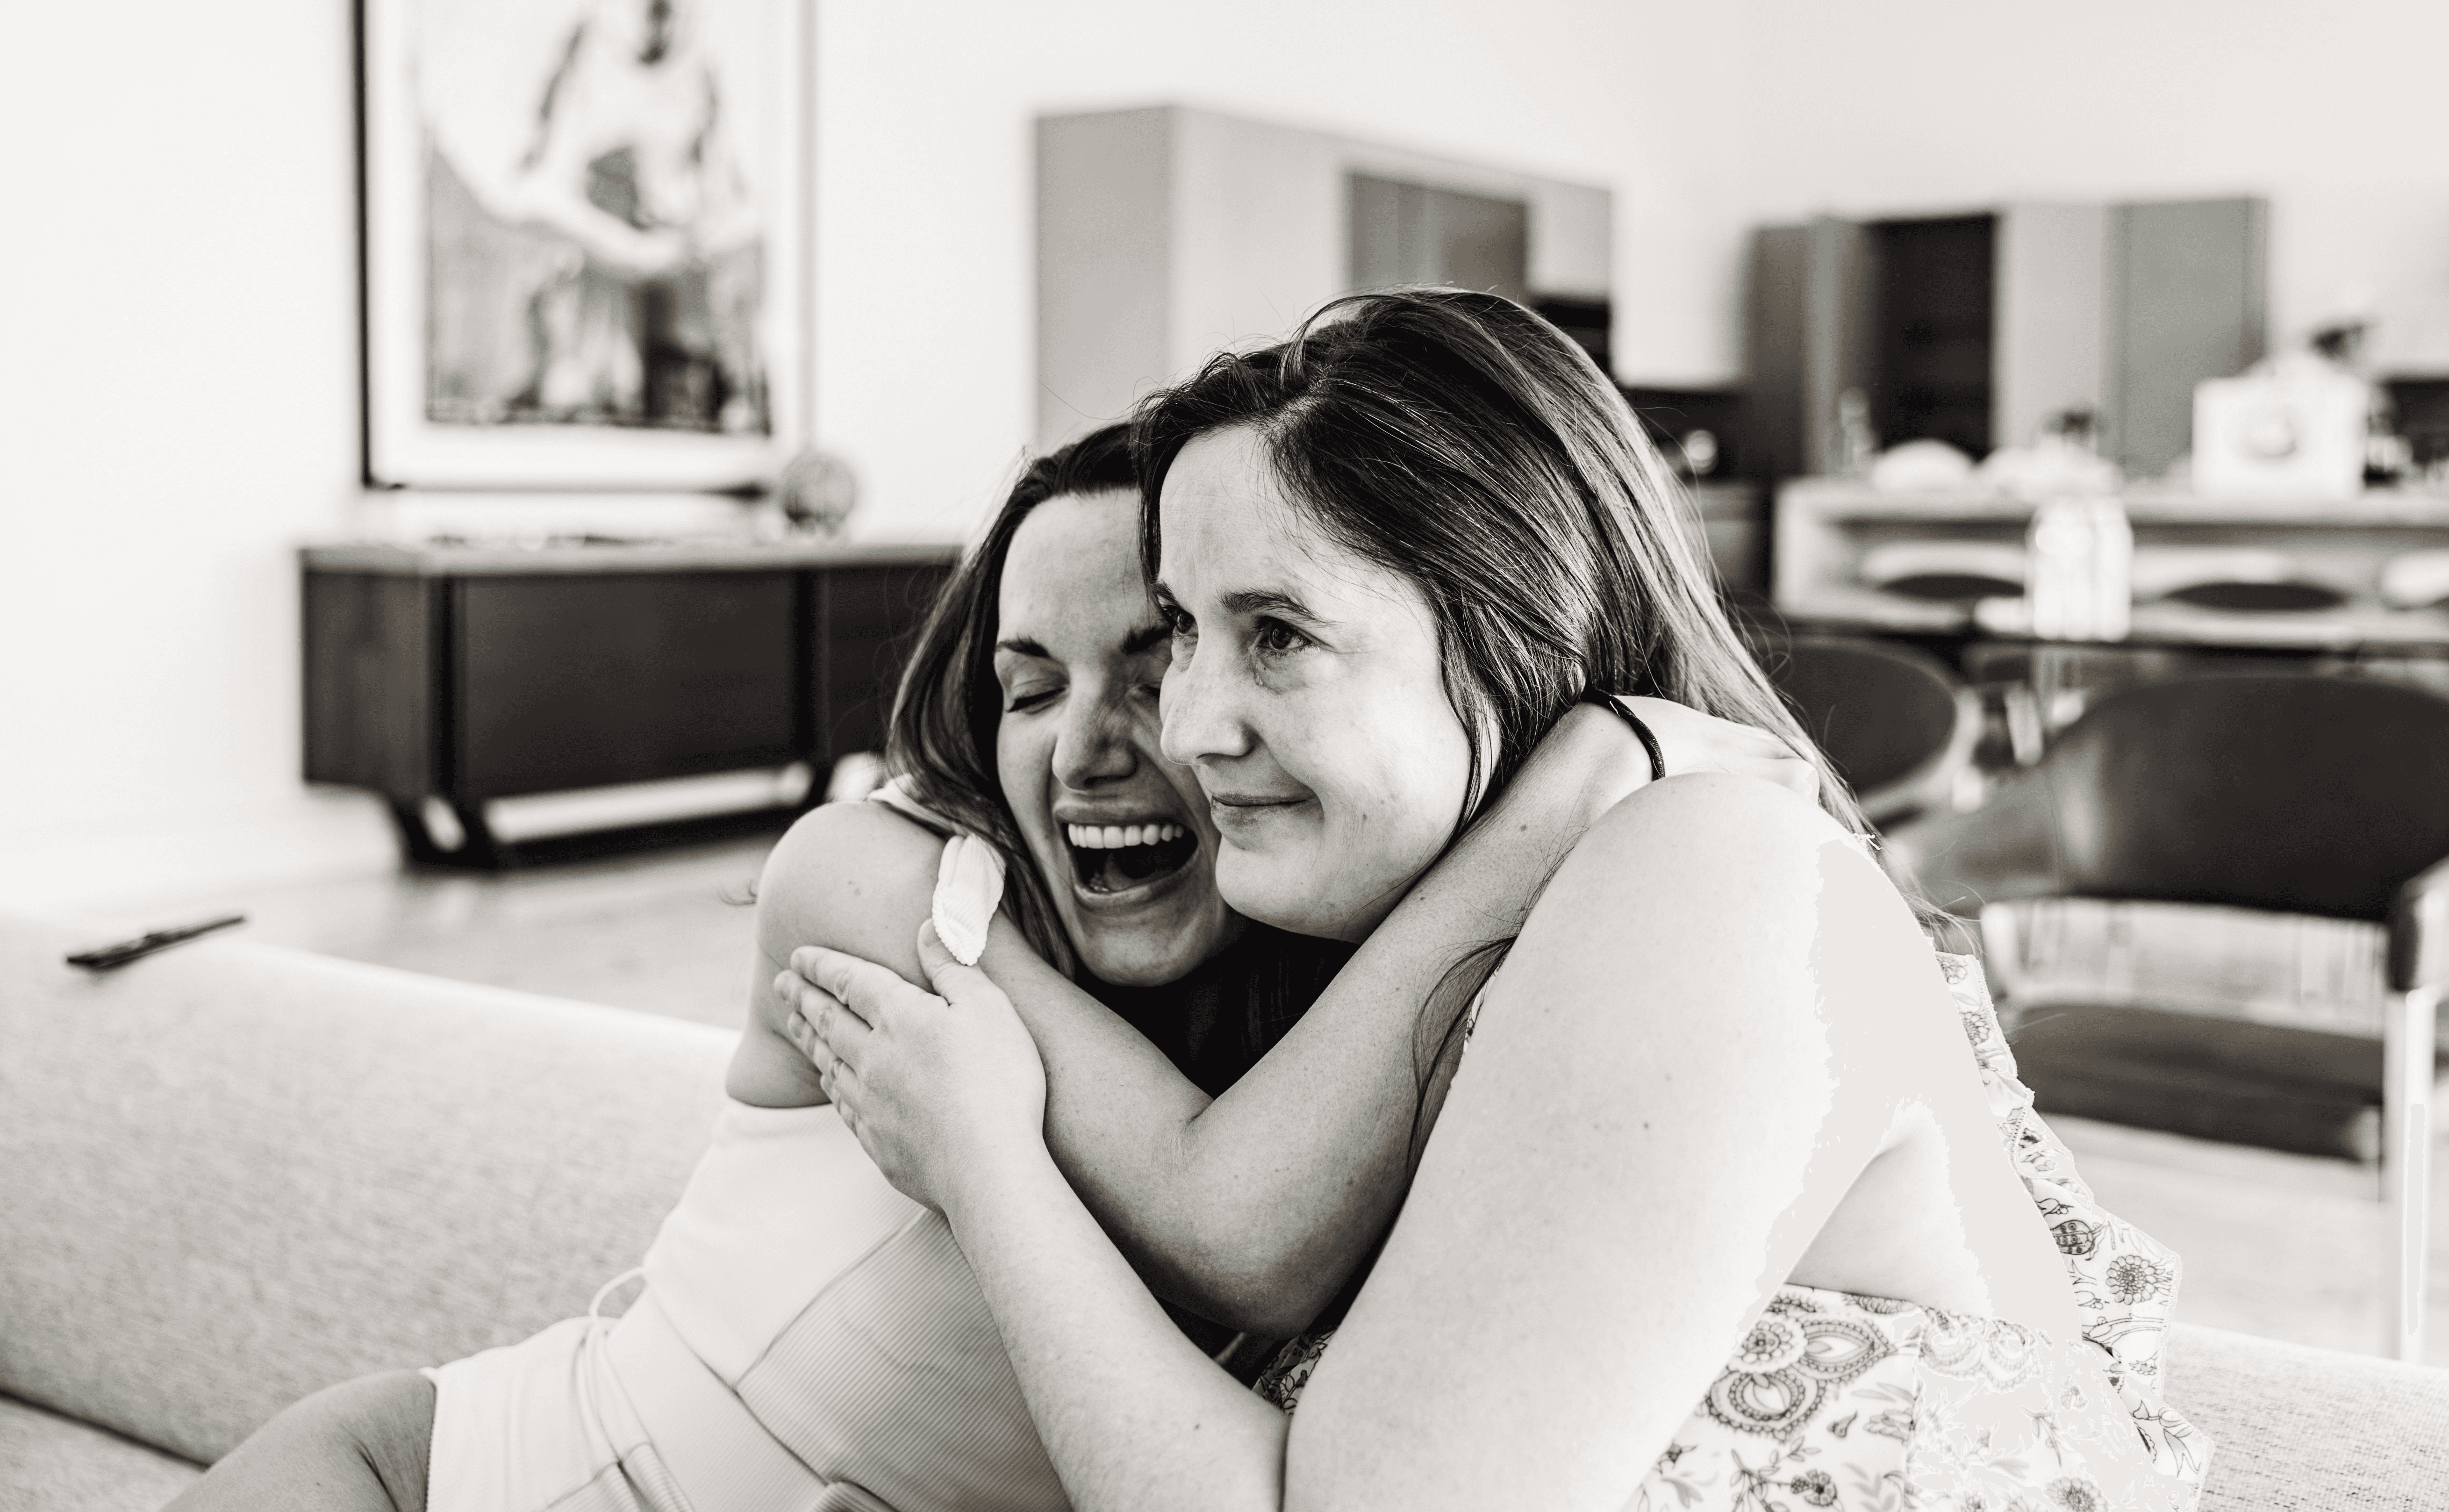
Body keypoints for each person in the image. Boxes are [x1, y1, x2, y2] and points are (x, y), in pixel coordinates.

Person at [166, 419, 1805, 1512]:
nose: (1098, 749)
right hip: (420, 1483)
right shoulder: (880, 882)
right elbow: (1236, 1228)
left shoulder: (1353, 1028)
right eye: (1029, 685)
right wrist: (1571, 791)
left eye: (1174, 664)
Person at [793, 289, 2209, 1512]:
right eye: (1187, 630)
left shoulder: (1713, 875)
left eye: (1277, 636)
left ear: (1527, 631)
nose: (1192, 721)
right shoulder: (1401, 960)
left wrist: (989, 1166)